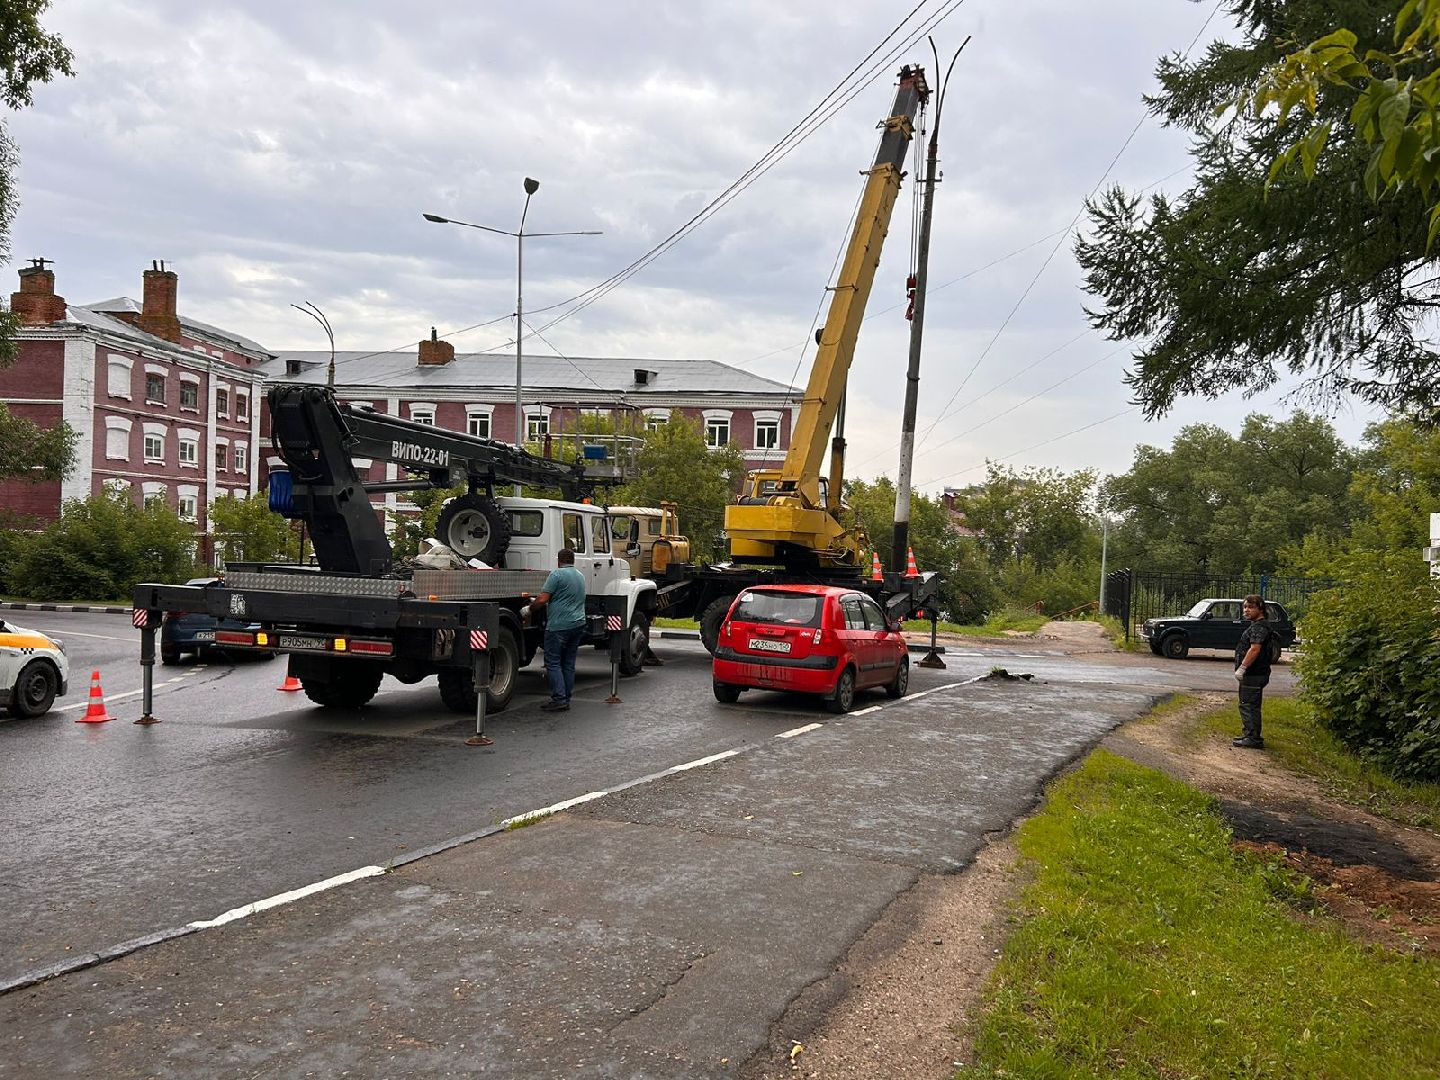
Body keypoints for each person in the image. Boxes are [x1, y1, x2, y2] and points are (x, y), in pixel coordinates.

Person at [530, 547, 587, 712]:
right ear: (573, 560)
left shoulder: (556, 575)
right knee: (568, 663)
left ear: (559, 560)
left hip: (559, 626)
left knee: (553, 662)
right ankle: (566, 697)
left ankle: (559, 698)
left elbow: (543, 599)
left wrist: (530, 609)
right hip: (578, 624)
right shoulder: (580, 576)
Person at [1232, 594, 1274, 749]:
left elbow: (1255, 648)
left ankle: (1252, 738)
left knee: (1248, 704)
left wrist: (1242, 668)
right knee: (1250, 704)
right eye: (1245, 607)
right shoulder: (1259, 626)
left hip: (1254, 673)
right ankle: (1249, 734)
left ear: (1260, 609)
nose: (1246, 610)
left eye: (1250, 607)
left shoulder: (1259, 627)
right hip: (1256, 673)